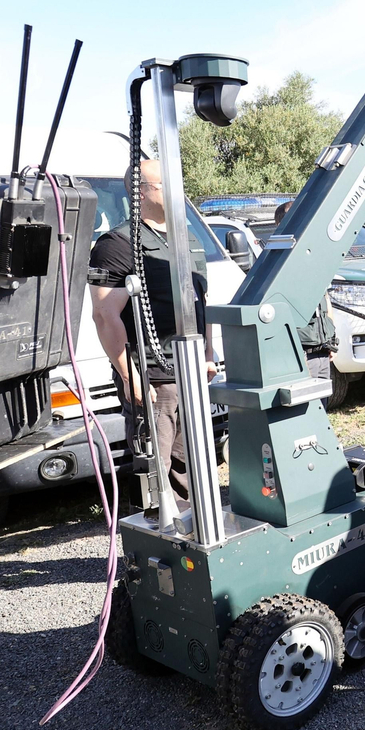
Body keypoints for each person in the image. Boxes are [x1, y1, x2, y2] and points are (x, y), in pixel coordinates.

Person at [89, 159, 217, 500]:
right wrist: (133, 380)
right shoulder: (117, 244)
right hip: (156, 379)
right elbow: (104, 316)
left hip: (191, 372)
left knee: (192, 462)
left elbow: (201, 300)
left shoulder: (185, 238)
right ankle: (161, 538)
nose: (177, 191)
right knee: (157, 474)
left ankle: (194, 530)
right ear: (140, 192)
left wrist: (208, 352)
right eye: (165, 184)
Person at [274, 201, 339, 398]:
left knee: (323, 406)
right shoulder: (276, 262)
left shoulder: (313, 257)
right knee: (306, 408)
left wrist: (332, 341)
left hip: (322, 352)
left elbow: (326, 300)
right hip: (301, 355)